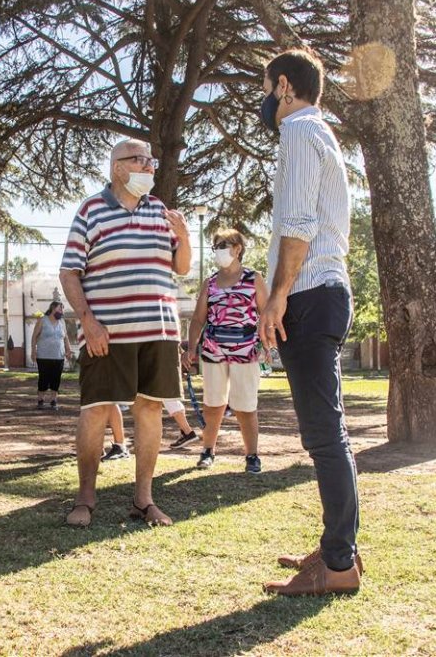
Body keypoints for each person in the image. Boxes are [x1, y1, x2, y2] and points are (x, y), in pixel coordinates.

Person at [256, 48, 361, 595]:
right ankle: (338, 547)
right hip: (325, 292)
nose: (265, 98)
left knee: (324, 435)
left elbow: (297, 224)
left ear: (285, 88)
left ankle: (338, 565)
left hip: (310, 293)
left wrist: (277, 298)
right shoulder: (322, 133)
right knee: (328, 431)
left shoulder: (298, 132)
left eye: (267, 86)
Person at [60, 137, 191, 528]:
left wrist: (184, 237)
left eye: (152, 160)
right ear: (119, 167)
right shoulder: (92, 209)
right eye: (142, 160)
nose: (151, 167)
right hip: (107, 332)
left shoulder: (159, 210)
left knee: (150, 408)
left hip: (159, 329)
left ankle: (143, 500)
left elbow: (180, 267)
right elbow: (69, 271)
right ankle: (85, 499)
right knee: (97, 410)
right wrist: (87, 321)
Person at [183, 229, 268, 474]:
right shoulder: (209, 282)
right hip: (213, 351)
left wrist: (267, 344)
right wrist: (191, 348)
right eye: (216, 246)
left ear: (237, 248)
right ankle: (208, 451)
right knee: (213, 404)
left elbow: (266, 314)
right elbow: (198, 319)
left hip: (246, 351)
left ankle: (252, 455)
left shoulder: (254, 278)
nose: (219, 250)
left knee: (245, 405)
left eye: (223, 245)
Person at [31, 300, 73, 410]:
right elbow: (34, 336)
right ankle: (40, 400)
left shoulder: (62, 322)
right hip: (43, 356)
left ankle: (54, 401)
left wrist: (68, 350)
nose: (62, 311)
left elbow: (66, 338)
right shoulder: (42, 320)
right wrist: (33, 351)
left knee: (56, 379)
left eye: (62, 309)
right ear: (53, 308)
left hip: (59, 356)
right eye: (60, 309)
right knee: (44, 379)